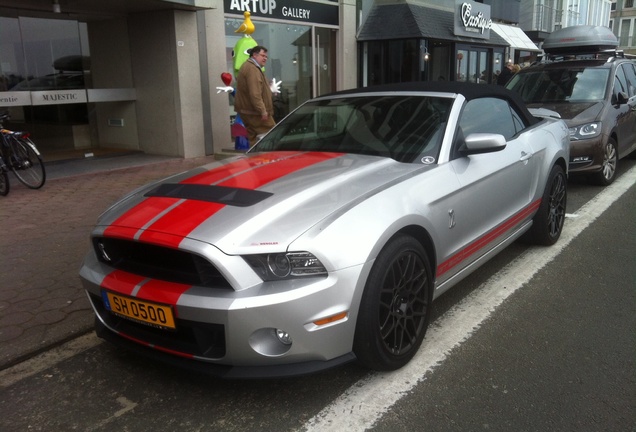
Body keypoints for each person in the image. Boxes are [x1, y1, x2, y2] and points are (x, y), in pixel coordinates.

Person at [234, 45, 275, 146]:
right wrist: (262, 110)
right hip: (255, 113)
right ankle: (271, 160)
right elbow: (254, 93)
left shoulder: (250, 67)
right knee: (273, 135)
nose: (265, 58)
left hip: (249, 111)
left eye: (266, 56)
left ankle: (255, 160)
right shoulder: (252, 69)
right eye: (263, 55)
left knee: (254, 139)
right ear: (254, 55)